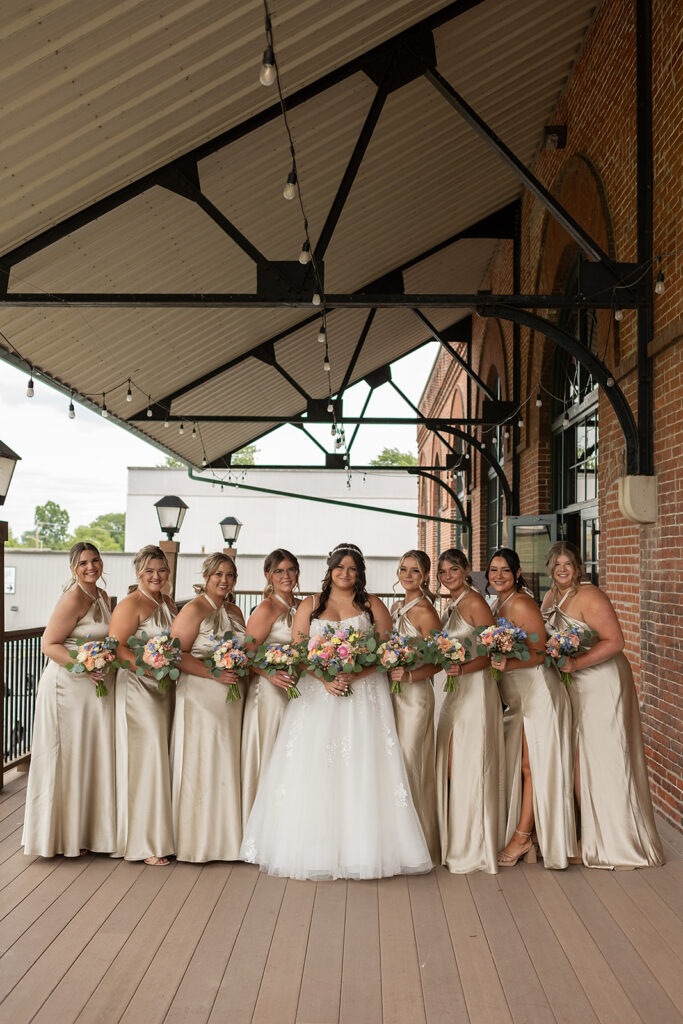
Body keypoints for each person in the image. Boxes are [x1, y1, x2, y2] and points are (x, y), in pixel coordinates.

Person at [240, 543, 432, 880]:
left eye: (352, 569)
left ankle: (364, 851)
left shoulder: (372, 605)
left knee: (363, 768)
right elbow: (299, 651)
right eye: (339, 567)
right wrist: (325, 678)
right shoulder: (311, 604)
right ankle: (315, 848)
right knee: (315, 767)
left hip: (364, 695)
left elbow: (387, 652)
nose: (345, 573)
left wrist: (355, 674)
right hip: (318, 694)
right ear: (330, 570)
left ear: (360, 574)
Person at [542, 542, 663, 868]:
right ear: (550, 568)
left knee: (602, 760)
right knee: (580, 760)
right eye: (556, 564)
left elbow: (616, 642)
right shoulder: (551, 597)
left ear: (578, 566)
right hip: (574, 686)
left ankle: (613, 840)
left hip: (602, 683)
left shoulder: (591, 595)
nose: (562, 569)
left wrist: (576, 666)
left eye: (568, 563)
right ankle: (586, 836)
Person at [22, 543, 116, 857]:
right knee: (64, 759)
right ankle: (57, 838)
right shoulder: (73, 598)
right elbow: (49, 644)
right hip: (65, 687)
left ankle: (84, 834)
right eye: (83, 563)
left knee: (84, 758)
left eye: (95, 561)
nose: (91, 567)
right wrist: (83, 664)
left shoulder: (102, 596)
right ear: (73, 568)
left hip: (89, 689)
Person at [487, 548, 576, 869]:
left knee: (532, 766)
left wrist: (507, 660)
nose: (498, 576)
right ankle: (530, 835)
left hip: (539, 694)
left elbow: (540, 653)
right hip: (518, 698)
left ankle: (523, 836)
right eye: (493, 570)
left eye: (505, 571)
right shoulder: (498, 603)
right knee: (523, 767)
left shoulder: (522, 603)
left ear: (517, 573)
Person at [170, 553, 246, 862]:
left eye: (229, 575)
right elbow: (176, 653)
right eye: (218, 574)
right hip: (201, 694)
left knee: (225, 761)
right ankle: (195, 841)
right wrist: (213, 672)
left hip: (231, 697)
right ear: (206, 576)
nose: (224, 580)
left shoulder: (235, 610)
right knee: (201, 762)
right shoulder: (193, 609)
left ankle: (225, 839)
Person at [434, 549, 505, 874]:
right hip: (456, 690)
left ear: (466, 571)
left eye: (453, 570)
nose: (447, 576)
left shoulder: (475, 602)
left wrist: (464, 669)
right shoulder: (452, 604)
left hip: (475, 690)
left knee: (470, 764)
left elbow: (492, 651)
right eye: (443, 572)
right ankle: (457, 839)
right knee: (453, 765)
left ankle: (475, 846)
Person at [109, 545, 176, 865]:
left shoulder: (167, 602)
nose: (156, 576)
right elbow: (117, 648)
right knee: (147, 757)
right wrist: (147, 666)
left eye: (162, 570)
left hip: (166, 688)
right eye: (150, 570)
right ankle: (145, 842)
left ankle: (164, 833)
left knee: (162, 757)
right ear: (138, 572)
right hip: (138, 687)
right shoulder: (130, 605)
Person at [241, 548, 301, 828]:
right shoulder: (266, 608)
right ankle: (263, 824)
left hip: (299, 688)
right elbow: (248, 653)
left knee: (295, 752)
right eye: (279, 571)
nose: (286, 576)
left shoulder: (303, 606)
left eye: (290, 570)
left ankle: (290, 820)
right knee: (272, 750)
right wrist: (271, 675)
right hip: (270, 689)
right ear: (268, 576)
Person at [388, 549, 441, 864]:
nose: (407, 576)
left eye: (415, 571)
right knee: (396, 766)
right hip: (394, 696)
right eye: (403, 569)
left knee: (411, 764)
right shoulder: (396, 607)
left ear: (425, 577)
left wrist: (409, 674)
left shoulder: (425, 612)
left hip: (416, 697)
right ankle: (398, 841)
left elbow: (440, 660)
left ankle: (418, 847)